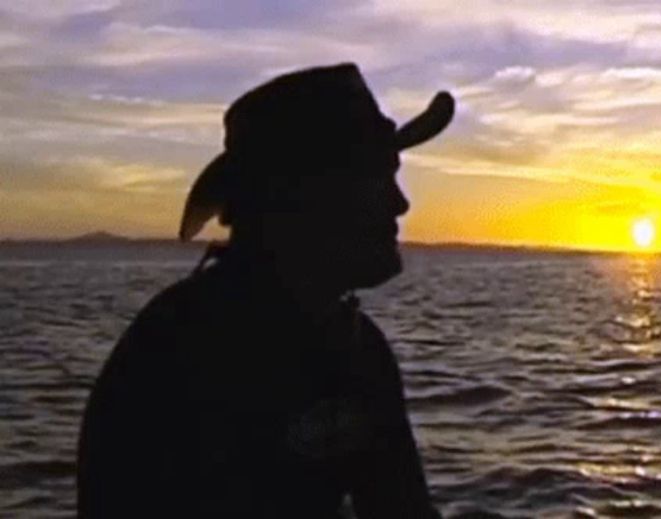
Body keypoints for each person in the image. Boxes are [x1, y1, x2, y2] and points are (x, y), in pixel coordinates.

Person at [77, 63, 454, 518]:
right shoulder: (174, 354)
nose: (399, 203)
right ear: (299, 195)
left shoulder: (357, 350)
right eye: (375, 177)